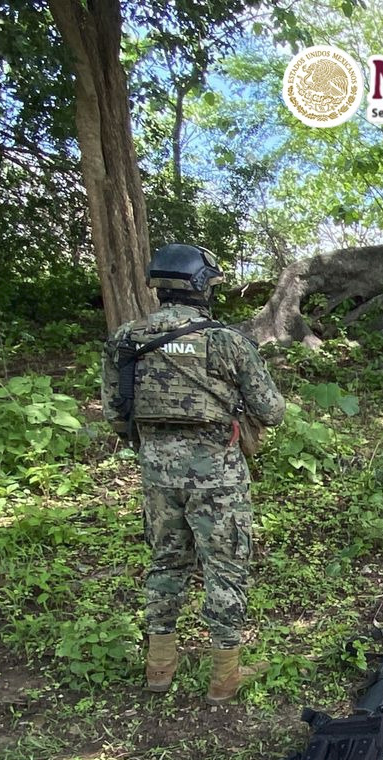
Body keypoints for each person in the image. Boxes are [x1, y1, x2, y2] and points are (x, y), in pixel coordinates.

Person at [102, 244, 287, 700]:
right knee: (225, 567)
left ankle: (159, 668)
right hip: (217, 472)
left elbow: (115, 413)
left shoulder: (126, 339)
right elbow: (272, 410)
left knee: (166, 561)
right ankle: (224, 676)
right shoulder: (225, 341)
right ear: (202, 286)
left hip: (156, 471)